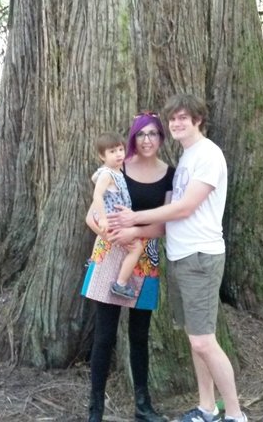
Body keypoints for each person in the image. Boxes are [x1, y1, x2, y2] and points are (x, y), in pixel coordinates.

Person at [108, 94, 247, 422]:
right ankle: (206, 407)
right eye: (173, 119)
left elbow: (185, 208)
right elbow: (173, 220)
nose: (177, 123)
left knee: (203, 341)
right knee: (196, 340)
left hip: (201, 256)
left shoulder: (209, 155)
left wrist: (135, 219)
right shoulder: (186, 158)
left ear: (198, 119)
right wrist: (135, 231)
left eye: (184, 117)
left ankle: (236, 415)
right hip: (181, 256)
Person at [81, 112, 175, 422]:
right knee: (104, 333)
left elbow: (164, 226)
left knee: (140, 333)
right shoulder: (117, 170)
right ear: (131, 139)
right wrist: (110, 235)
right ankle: (95, 409)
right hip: (111, 253)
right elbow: (91, 216)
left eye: (153, 134)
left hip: (146, 255)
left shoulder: (168, 174)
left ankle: (142, 406)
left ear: (161, 138)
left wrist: (136, 232)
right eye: (141, 134)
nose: (147, 140)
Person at [89, 132, 145, 299]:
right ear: (102, 156)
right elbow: (97, 195)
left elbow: (94, 178)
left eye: (120, 149)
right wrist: (104, 219)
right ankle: (120, 284)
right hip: (112, 219)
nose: (118, 154)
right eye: (112, 151)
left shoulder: (111, 171)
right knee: (137, 248)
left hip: (115, 218)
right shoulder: (107, 174)